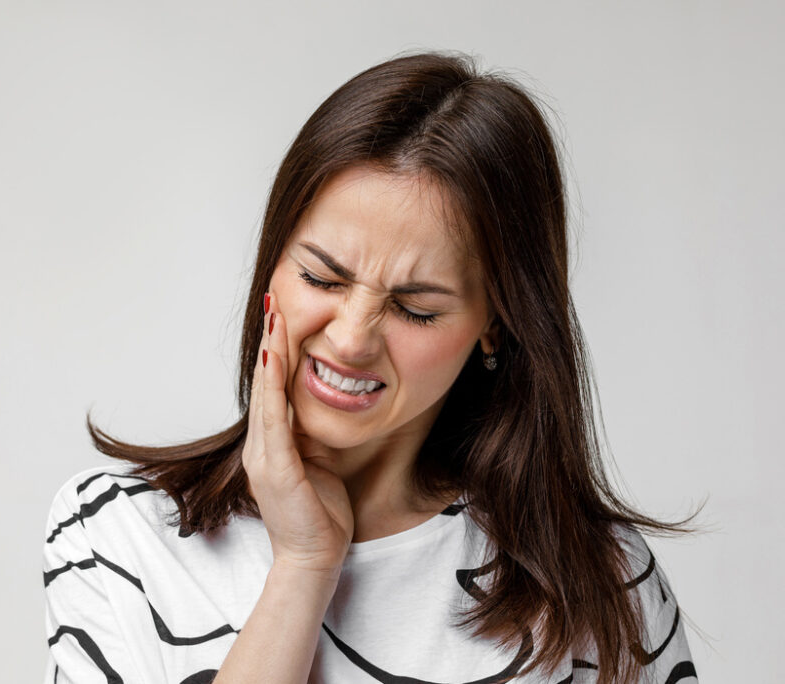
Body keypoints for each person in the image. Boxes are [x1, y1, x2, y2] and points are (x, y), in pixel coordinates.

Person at [42, 51, 701, 684]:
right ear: (272, 265)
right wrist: (303, 567)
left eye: (415, 309)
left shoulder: (600, 584)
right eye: (322, 277)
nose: (351, 339)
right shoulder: (116, 534)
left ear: (494, 326)